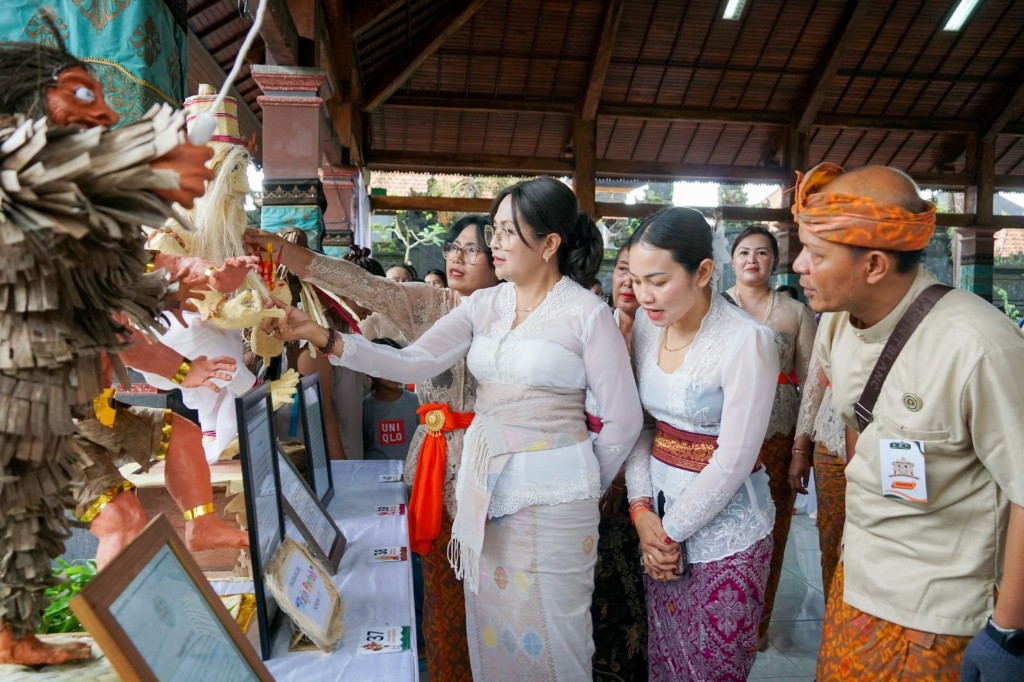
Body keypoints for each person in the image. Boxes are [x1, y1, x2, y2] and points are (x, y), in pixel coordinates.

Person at [262, 177, 642, 680]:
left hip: (556, 510)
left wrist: (575, 483)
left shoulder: (586, 313)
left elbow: (624, 420)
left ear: (550, 243)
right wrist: (324, 337)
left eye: (507, 232)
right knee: (495, 633)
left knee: (556, 637)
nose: (495, 243)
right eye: (494, 230)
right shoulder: (485, 305)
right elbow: (415, 362)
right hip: (486, 497)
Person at [791, 162, 1024, 681]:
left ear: (874, 264)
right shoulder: (836, 326)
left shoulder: (979, 346)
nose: (799, 265)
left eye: (816, 254)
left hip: (938, 618)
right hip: (857, 586)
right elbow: (858, 425)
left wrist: (1007, 633)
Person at [245, 213, 498, 680]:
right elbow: (359, 283)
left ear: (500, 255)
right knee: (442, 599)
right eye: (452, 247)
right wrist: (275, 248)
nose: (457, 258)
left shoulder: (519, 313)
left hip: (493, 473)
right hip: (434, 468)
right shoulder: (431, 303)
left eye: (472, 250)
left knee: (498, 604)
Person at [624, 207, 779, 681]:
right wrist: (642, 512)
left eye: (658, 281)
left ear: (704, 272)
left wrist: (668, 533)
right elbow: (641, 425)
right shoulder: (647, 326)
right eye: (636, 280)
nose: (644, 295)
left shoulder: (748, 341)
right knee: (667, 661)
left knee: (713, 667)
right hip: (657, 522)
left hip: (727, 534)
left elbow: (734, 460)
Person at [724, 226, 816, 646]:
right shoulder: (714, 307)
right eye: (744, 252)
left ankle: (758, 624)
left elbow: (812, 382)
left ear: (775, 262)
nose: (752, 259)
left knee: (773, 529)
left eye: (761, 252)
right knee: (726, 525)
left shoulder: (795, 313)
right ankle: (725, 615)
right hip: (724, 431)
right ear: (731, 260)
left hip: (779, 432)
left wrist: (802, 448)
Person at [591, 240, 649, 680]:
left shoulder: (664, 338)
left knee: (639, 599)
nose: (628, 281)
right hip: (591, 477)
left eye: (642, 273)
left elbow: (648, 423)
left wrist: (623, 481)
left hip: (646, 483)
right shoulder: (594, 327)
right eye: (622, 269)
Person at [790, 352, 846, 597]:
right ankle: (832, 612)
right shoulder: (832, 328)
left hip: (891, 440)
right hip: (832, 434)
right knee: (831, 539)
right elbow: (814, 385)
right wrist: (800, 449)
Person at [363, 339, 420, 461]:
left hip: (410, 469)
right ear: (369, 371)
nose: (393, 373)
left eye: (397, 366)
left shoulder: (416, 403)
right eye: (385, 368)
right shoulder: (364, 408)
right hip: (374, 470)